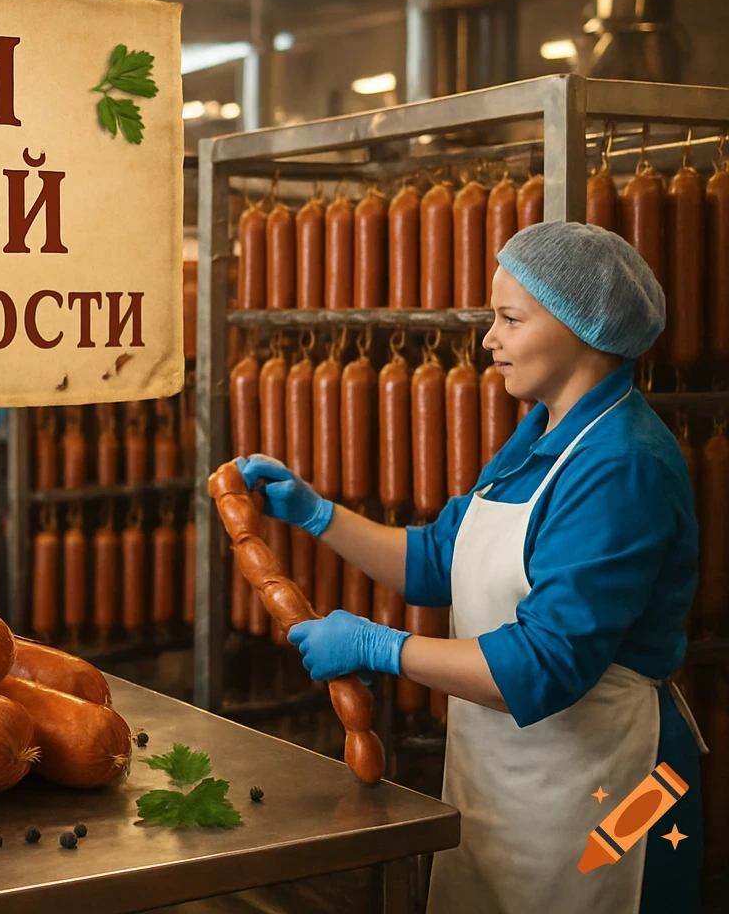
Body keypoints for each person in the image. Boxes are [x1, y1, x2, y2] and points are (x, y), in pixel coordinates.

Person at [236, 221, 705, 914]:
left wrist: (380, 646)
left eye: (510, 319)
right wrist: (316, 514)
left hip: (609, 787)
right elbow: (437, 560)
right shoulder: (540, 431)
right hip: (509, 782)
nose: (488, 338)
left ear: (583, 331)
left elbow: (546, 663)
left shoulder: (621, 466)